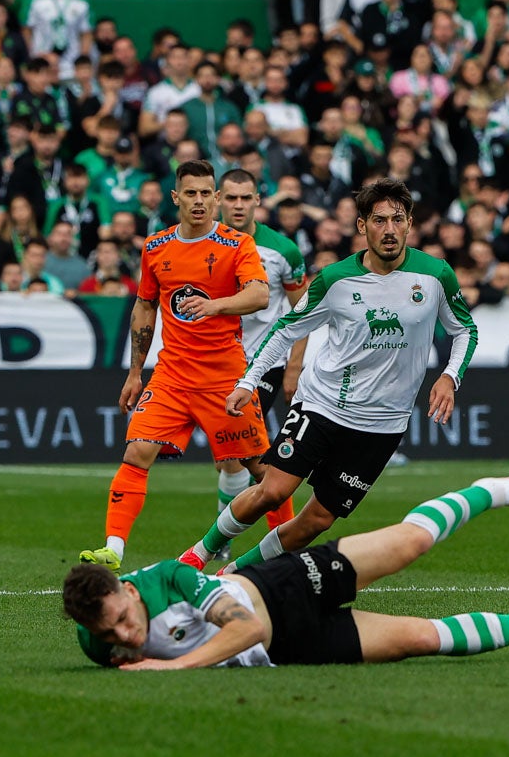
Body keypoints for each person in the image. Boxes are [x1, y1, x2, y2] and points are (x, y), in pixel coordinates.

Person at [177, 177, 478, 575]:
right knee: (274, 490)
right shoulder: (335, 279)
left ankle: (232, 577)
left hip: (382, 425)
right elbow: (286, 327)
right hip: (323, 404)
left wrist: (449, 377)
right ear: (362, 226)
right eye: (379, 220)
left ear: (409, 224)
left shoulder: (436, 275)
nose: (389, 230)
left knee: (316, 521)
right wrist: (248, 382)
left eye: (397, 220)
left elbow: (464, 330)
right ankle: (198, 554)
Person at [66, 474, 509, 668]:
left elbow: (246, 626)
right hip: (291, 648)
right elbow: (256, 644)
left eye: (121, 619)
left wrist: (173, 669)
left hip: (284, 589)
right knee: (421, 639)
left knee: (409, 544)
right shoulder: (99, 640)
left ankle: (492, 490)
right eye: (108, 633)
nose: (124, 637)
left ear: (125, 588)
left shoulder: (165, 579)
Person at [79, 159, 270, 573]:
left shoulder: (237, 245)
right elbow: (145, 306)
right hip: (171, 375)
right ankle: (113, 549)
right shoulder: (155, 247)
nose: (199, 201)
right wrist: (134, 372)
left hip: (224, 378)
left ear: (216, 198)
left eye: (206, 193)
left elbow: (259, 295)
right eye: (191, 193)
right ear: (176, 197)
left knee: (263, 470)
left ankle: (289, 547)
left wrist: (214, 305)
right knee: (137, 451)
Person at [214, 167, 307, 537]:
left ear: (257, 200)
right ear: (218, 199)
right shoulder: (204, 244)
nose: (238, 206)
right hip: (215, 364)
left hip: (263, 364)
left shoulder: (282, 250)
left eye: (245, 198)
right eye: (231, 198)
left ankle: (281, 540)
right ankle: (225, 537)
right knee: (228, 461)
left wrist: (294, 366)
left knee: (245, 456)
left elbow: (303, 312)